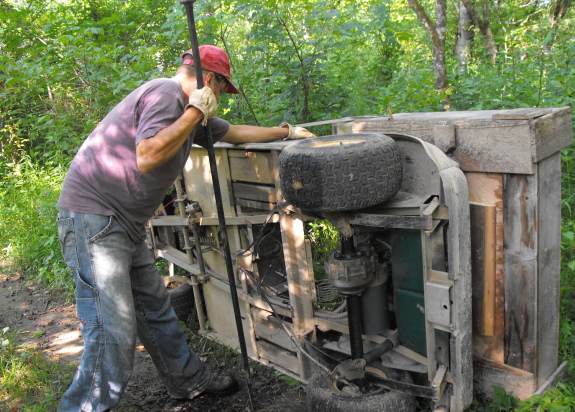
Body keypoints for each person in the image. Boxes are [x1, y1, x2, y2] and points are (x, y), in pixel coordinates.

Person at [56, 45, 314, 411]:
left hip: (122, 222)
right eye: (223, 89)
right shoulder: (166, 96)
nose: (222, 98)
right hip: (95, 219)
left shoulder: (190, 115)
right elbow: (146, 156)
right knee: (112, 328)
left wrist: (286, 132)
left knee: (153, 308)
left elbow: (235, 133)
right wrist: (195, 111)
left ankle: (188, 381)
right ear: (210, 79)